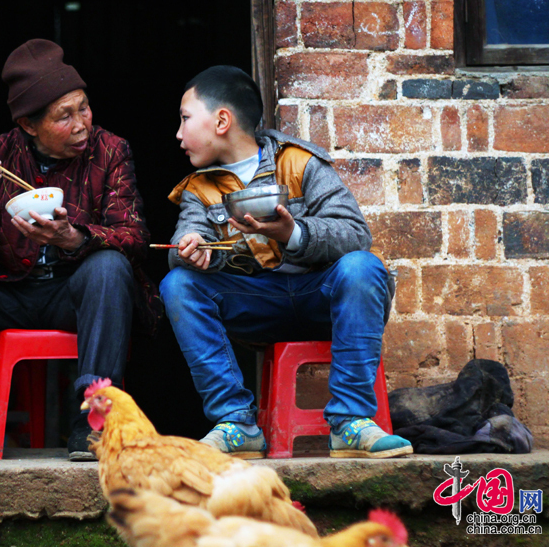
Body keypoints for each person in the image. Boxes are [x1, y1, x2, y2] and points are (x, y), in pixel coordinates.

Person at [0, 39, 159, 461]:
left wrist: (71, 239)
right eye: (64, 116)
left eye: (84, 107)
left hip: (73, 294)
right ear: (28, 125)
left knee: (110, 267)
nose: (82, 124)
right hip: (6, 292)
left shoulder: (111, 150)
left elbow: (134, 236)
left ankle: (93, 426)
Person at [159, 66, 412, 459]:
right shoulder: (200, 189)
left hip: (320, 298)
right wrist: (192, 250)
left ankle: (351, 423)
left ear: (221, 120)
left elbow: (354, 233)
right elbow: (182, 244)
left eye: (185, 118)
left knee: (363, 266)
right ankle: (236, 424)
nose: (178, 133)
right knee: (177, 285)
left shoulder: (299, 163)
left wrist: (291, 234)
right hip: (257, 305)